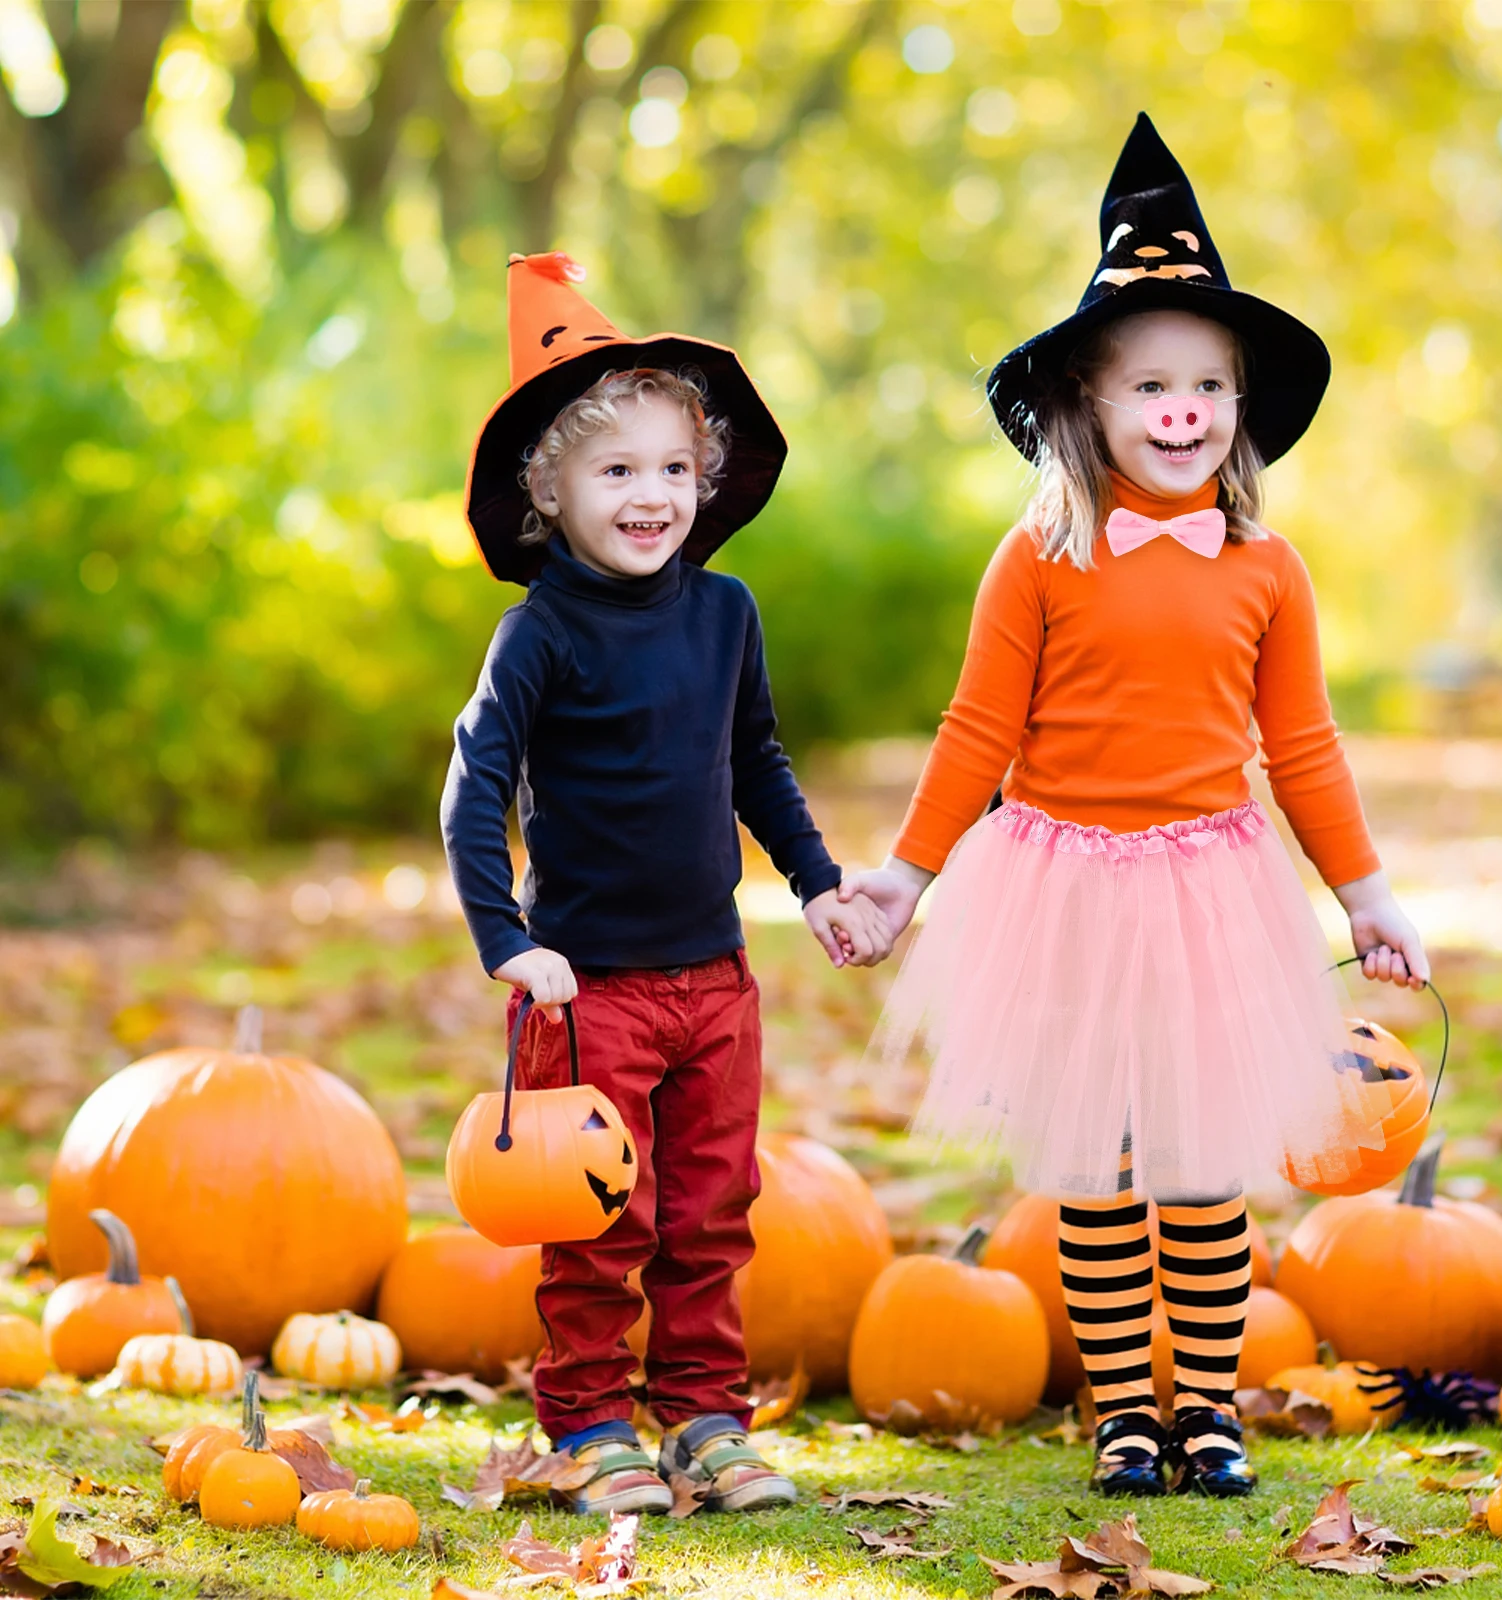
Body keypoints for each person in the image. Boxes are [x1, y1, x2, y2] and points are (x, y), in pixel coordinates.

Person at [841, 116, 1428, 1498]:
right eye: (1153, 382)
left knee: (1198, 1154)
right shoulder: (1037, 558)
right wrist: (905, 877)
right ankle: (1123, 1409)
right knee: (1099, 1162)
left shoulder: (1266, 568)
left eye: (1209, 384)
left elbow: (1302, 744)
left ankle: (1208, 1403)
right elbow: (978, 731)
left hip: (1210, 887)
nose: (1184, 409)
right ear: (1085, 409)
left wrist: (1367, 892)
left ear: (1239, 407)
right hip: (1062, 885)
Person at [443, 252, 889, 1515]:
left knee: (711, 1210)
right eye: (617, 469)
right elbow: (473, 785)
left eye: (674, 470)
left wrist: (817, 882)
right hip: (585, 990)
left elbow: (756, 761)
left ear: (706, 481)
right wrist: (507, 939)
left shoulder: (726, 612)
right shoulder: (540, 630)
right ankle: (588, 1420)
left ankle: (703, 1415)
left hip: (715, 980)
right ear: (550, 487)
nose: (653, 496)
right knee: (596, 1219)